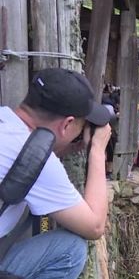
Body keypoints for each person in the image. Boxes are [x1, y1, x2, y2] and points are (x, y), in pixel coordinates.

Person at [0, 68, 111, 277]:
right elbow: (95, 226)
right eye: (80, 127)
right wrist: (97, 151)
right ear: (68, 123)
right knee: (71, 249)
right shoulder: (37, 159)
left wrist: (61, 148)